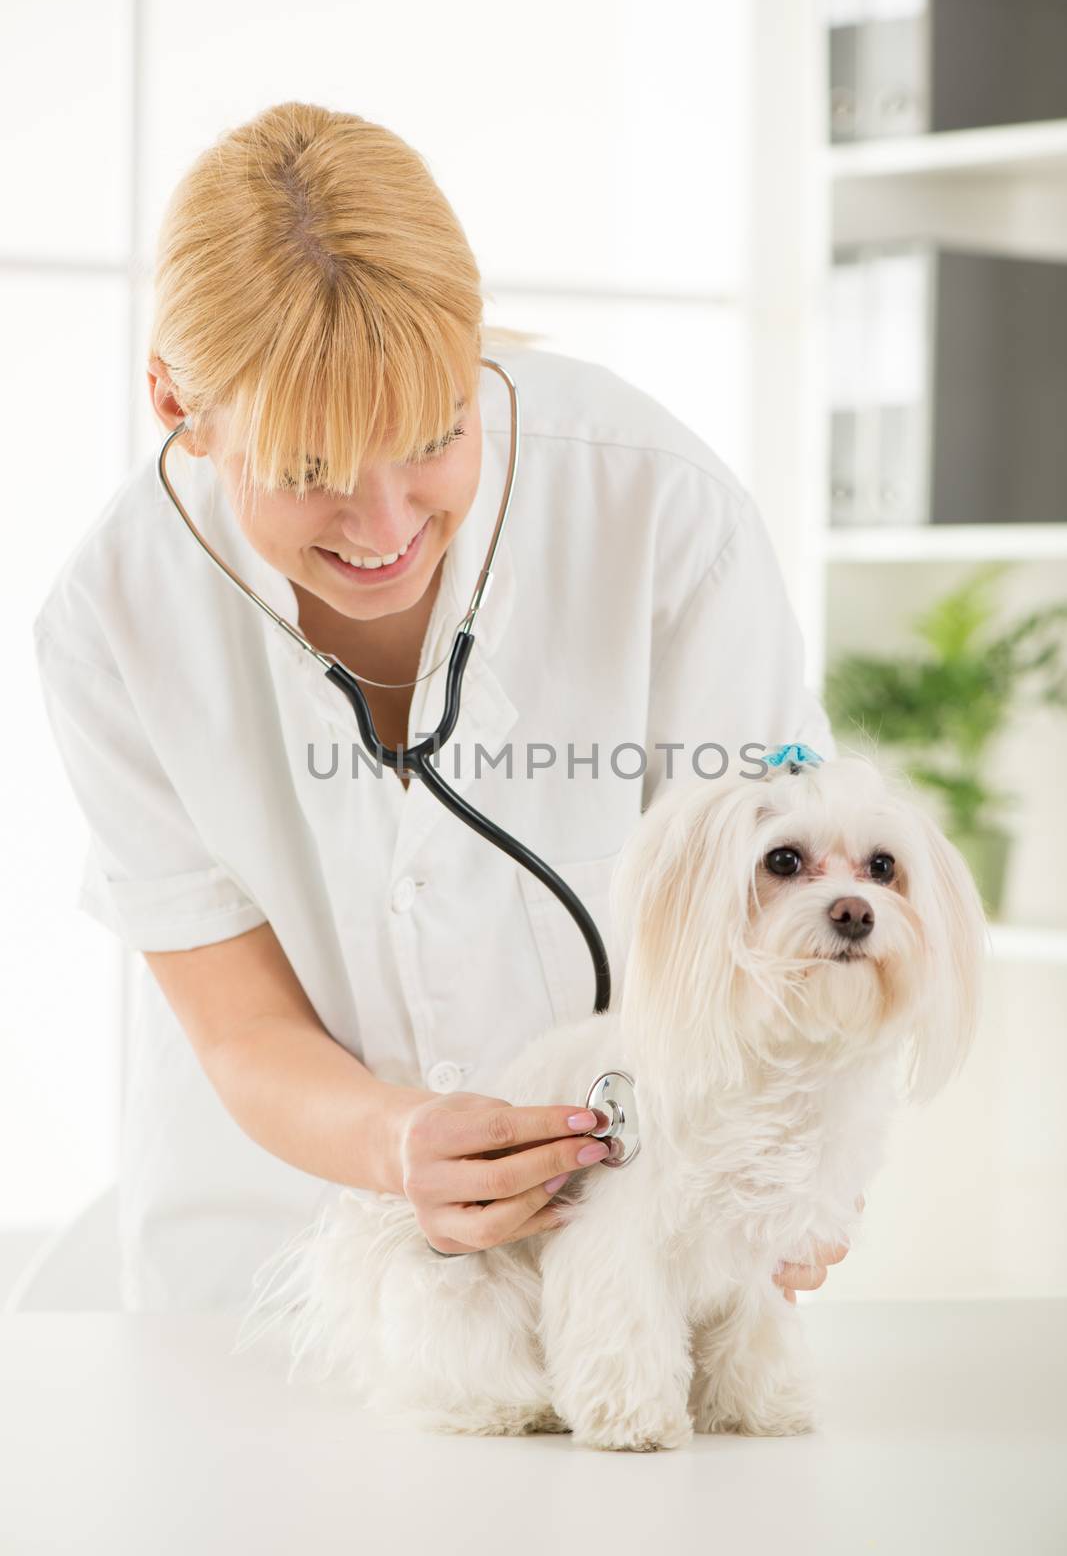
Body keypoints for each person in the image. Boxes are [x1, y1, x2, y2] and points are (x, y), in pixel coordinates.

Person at [34, 100, 852, 1312]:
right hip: (270, 1268)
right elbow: (242, 1028)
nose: (385, 526)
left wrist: (797, 1137)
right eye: (308, 472)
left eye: (432, 436)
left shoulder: (661, 509)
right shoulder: (115, 616)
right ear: (175, 408)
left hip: (632, 1233)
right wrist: (394, 1141)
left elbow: (777, 907)